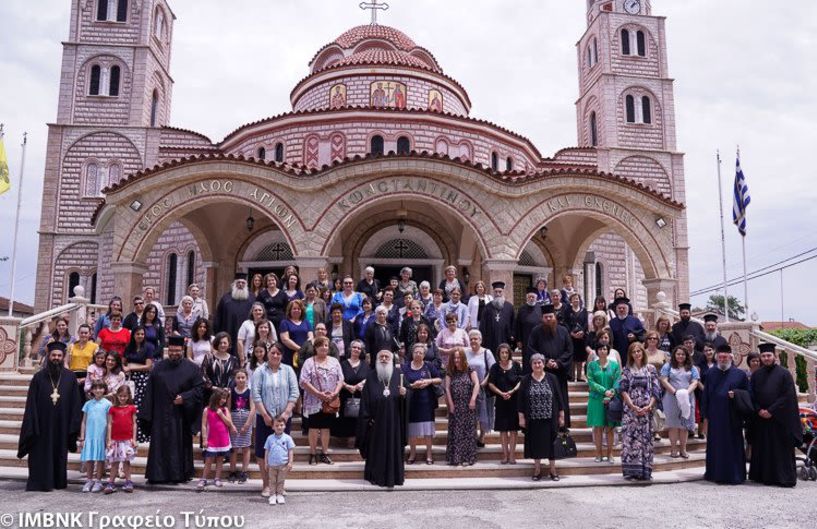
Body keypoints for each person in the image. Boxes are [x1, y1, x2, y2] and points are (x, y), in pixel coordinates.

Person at [139, 335, 205, 484]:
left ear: (182, 350)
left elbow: (199, 390)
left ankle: (179, 475)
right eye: (172, 350)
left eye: (177, 350)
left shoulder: (192, 368)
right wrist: (147, 415)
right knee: (160, 445)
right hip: (160, 415)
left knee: (179, 445)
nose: (174, 353)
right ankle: (158, 475)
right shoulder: (159, 367)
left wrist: (185, 398)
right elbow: (149, 392)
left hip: (181, 416)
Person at [18, 341, 83, 491]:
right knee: (40, 452)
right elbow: (31, 403)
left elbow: (75, 403)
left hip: (62, 424)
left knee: (59, 453)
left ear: (63, 357)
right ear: (48, 356)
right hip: (42, 425)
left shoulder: (70, 378)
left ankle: (57, 482)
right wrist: (32, 423)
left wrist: (74, 425)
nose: (56, 358)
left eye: (59, 355)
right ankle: (40, 482)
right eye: (53, 355)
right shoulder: (38, 378)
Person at [749, 343, 803, 487]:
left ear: (774, 356)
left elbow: (787, 396)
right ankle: (763, 476)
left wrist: (771, 411)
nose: (766, 358)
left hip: (780, 420)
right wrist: (759, 410)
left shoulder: (784, 374)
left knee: (780, 450)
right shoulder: (756, 375)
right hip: (762, 419)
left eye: (769, 355)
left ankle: (782, 478)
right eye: (764, 356)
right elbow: (752, 396)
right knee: (764, 448)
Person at [251, 342, 299, 498]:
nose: (275, 356)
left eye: (278, 353)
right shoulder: (260, 371)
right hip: (265, 418)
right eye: (273, 353)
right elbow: (256, 395)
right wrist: (265, 415)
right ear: (267, 354)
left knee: (282, 452)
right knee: (263, 451)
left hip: (283, 419)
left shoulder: (288, 370)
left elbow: (294, 392)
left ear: (282, 355)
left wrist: (286, 413)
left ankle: (280, 486)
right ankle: (266, 485)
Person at [356, 349, 408, 487]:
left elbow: (408, 398)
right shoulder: (371, 376)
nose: (384, 359)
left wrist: (405, 394)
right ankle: (376, 476)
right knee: (377, 451)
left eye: (387, 357)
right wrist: (368, 420)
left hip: (394, 423)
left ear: (391, 360)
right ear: (377, 360)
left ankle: (394, 477)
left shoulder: (399, 375)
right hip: (376, 423)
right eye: (381, 357)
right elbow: (365, 401)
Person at [701, 344, 749, 484]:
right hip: (715, 417)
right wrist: (705, 416)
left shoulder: (740, 374)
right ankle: (715, 474)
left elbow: (748, 394)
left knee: (732, 446)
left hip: (732, 417)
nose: (722, 359)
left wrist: (737, 394)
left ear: (730, 357)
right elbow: (706, 396)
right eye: (720, 357)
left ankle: (734, 475)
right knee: (716, 446)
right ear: (717, 358)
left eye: (725, 357)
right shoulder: (710, 373)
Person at [518, 353, 566, 481]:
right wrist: (521, 417)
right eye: (534, 363)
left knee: (552, 445)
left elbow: (559, 398)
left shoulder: (552, 378)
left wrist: (561, 415)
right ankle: (537, 470)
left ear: (543, 364)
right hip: (533, 419)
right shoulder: (525, 380)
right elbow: (521, 400)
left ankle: (552, 470)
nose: (537, 365)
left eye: (539, 362)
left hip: (550, 418)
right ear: (531, 365)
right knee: (535, 444)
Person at [525, 304, 573, 426]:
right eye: (546, 317)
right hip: (542, 373)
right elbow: (531, 349)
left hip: (559, 372)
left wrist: (558, 362)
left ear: (555, 316)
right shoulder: (536, 331)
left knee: (561, 399)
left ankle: (562, 425)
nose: (548, 319)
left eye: (550, 316)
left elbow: (569, 350)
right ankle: (546, 425)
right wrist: (545, 361)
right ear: (542, 318)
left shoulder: (563, 330)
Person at [619, 342, 661, 481]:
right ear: (630, 354)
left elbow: (656, 389)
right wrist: (632, 405)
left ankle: (644, 471)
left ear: (643, 353)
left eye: (639, 351)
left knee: (645, 441)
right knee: (630, 440)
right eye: (634, 352)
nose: (637, 354)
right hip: (630, 412)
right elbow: (623, 389)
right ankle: (631, 472)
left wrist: (649, 406)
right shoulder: (627, 370)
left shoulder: (650, 369)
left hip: (646, 411)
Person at [300, 337, 344, 464]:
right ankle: (313, 454)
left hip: (330, 401)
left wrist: (335, 393)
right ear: (315, 348)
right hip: (313, 401)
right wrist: (318, 394)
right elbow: (304, 381)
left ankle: (324, 453)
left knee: (325, 428)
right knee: (313, 428)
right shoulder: (309, 362)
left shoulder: (334, 361)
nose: (324, 347)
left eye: (326, 345)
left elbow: (340, 379)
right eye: (321, 345)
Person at [403, 343, 442, 464]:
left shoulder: (429, 365)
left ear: (424, 355)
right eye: (416, 352)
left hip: (426, 402)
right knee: (412, 431)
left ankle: (429, 454)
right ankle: (412, 454)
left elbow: (439, 378)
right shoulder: (405, 367)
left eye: (421, 352)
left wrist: (428, 381)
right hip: (411, 402)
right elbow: (401, 383)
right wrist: (412, 386)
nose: (418, 354)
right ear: (412, 353)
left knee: (428, 431)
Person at [660, 345, 700, 459]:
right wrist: (675, 392)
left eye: (683, 354)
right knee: (673, 425)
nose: (680, 356)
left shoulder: (692, 368)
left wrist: (686, 393)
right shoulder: (668, 366)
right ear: (674, 355)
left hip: (687, 398)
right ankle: (673, 449)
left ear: (686, 356)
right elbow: (663, 380)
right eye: (678, 354)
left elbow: (695, 382)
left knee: (684, 426)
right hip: (672, 398)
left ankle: (683, 449)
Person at [487, 343, 522, 464]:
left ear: (509, 353)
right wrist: (501, 393)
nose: (504, 355)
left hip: (514, 401)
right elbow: (491, 383)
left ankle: (512, 455)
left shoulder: (516, 365)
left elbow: (520, 381)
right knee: (503, 430)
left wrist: (512, 391)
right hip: (501, 401)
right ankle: (505, 455)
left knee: (513, 430)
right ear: (499, 354)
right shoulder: (495, 367)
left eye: (506, 352)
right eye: (502, 352)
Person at [445, 348, 480, 466]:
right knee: (456, 432)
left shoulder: (470, 370)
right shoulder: (450, 371)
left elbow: (476, 385)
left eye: (458, 357)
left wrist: (473, 399)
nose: (456, 360)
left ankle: (468, 458)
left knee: (469, 432)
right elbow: (447, 389)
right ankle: (456, 458)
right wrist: (450, 404)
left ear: (463, 358)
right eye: (454, 357)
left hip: (469, 405)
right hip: (456, 406)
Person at [198, 388, 237, 491]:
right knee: (209, 460)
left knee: (220, 460)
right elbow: (203, 425)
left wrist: (221, 415)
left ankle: (217, 478)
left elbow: (229, 423)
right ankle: (204, 478)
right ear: (216, 398)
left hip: (223, 439)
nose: (223, 400)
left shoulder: (225, 410)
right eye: (222, 398)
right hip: (211, 439)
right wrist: (204, 439)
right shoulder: (207, 410)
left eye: (225, 398)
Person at [586, 343, 620, 463]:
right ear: (597, 351)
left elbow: (618, 380)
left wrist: (611, 392)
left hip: (611, 398)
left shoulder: (615, 365)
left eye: (604, 349)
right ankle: (598, 453)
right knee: (598, 428)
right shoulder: (591, 365)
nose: (602, 351)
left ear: (608, 351)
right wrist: (604, 391)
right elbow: (590, 381)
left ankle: (610, 453)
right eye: (600, 349)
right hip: (596, 399)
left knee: (610, 427)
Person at [332, 340, 371, 446]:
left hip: (360, 396)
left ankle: (356, 441)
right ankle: (344, 441)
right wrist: (347, 386)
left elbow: (369, 378)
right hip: (345, 395)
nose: (356, 350)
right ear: (350, 348)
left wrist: (360, 385)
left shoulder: (365, 365)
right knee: (346, 420)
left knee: (358, 420)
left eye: (359, 348)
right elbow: (337, 378)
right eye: (354, 347)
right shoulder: (342, 364)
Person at [79, 380, 112, 493]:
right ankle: (89, 480)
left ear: (104, 389)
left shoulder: (108, 404)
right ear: (92, 390)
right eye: (95, 388)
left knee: (100, 459)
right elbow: (83, 421)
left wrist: (108, 438)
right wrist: (82, 437)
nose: (98, 390)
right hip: (90, 436)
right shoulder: (88, 404)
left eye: (100, 388)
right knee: (89, 459)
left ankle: (98, 481)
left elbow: (109, 423)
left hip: (101, 436)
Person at [122, 326, 153, 443]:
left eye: (142, 334)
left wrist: (133, 366)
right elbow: (123, 362)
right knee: (128, 405)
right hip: (130, 380)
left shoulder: (148, 347)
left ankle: (140, 435)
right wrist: (125, 367)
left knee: (139, 408)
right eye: (138, 334)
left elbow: (148, 366)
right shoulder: (128, 347)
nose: (140, 336)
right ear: (133, 335)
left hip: (142, 381)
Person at [105, 385, 138, 493]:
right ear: (117, 396)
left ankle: (128, 482)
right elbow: (109, 424)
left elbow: (134, 424)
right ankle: (111, 483)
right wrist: (109, 439)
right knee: (114, 462)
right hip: (115, 439)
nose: (122, 398)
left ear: (129, 396)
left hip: (127, 440)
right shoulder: (112, 409)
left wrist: (134, 439)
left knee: (126, 462)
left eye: (125, 396)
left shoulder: (132, 408)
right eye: (120, 396)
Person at [465, 329, 496, 446]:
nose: (473, 341)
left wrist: (485, 381)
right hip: (469, 388)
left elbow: (493, 369)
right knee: (471, 414)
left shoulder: (487, 352)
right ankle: (472, 436)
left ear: (480, 340)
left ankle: (482, 437)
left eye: (475, 339)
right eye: (471, 339)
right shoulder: (466, 352)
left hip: (484, 388)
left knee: (484, 413)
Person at [214, 273, 257, 356]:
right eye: (238, 282)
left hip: (247, 334)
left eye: (243, 283)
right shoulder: (225, 299)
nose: (240, 285)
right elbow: (218, 317)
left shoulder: (252, 298)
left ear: (246, 284)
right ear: (234, 284)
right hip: (229, 331)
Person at [227, 369, 255, 484]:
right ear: (235, 379)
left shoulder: (250, 391)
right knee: (234, 448)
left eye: (243, 377)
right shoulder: (231, 392)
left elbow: (253, 408)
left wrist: (247, 424)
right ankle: (232, 471)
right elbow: (228, 409)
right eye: (238, 377)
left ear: (247, 378)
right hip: (234, 422)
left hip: (246, 422)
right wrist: (231, 424)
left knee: (246, 447)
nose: (240, 380)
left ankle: (244, 471)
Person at [264, 417, 296, 505]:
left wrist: (290, 462)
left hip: (283, 465)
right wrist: (266, 463)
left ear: (285, 426)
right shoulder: (270, 438)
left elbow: (290, 450)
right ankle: (272, 495)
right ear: (273, 427)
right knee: (272, 480)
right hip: (272, 465)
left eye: (281, 425)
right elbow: (267, 451)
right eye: (276, 425)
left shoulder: (288, 438)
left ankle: (280, 495)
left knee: (281, 480)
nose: (279, 427)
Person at [479, 281, 514, 356]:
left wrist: (512, 336)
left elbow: (513, 323)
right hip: (490, 340)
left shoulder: (509, 307)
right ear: (493, 292)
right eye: (496, 292)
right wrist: (482, 340)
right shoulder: (487, 307)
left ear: (503, 292)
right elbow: (483, 325)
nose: (498, 294)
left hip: (505, 339)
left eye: (500, 292)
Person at [279, 300, 313, 367]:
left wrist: (304, 350)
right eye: (294, 308)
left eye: (298, 309)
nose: (296, 310)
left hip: (305, 356)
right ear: (290, 310)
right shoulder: (285, 322)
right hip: (289, 356)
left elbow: (311, 337)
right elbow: (285, 339)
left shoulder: (306, 322)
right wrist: (300, 349)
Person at [565, 292, 588, 382]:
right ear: (571, 300)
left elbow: (586, 323)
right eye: (574, 298)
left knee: (580, 358)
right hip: (571, 337)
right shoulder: (568, 310)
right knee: (572, 357)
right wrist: (571, 333)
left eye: (577, 298)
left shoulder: (584, 310)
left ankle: (579, 377)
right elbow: (565, 322)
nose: (576, 300)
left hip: (581, 338)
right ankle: (572, 376)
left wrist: (582, 331)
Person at [515, 287, 542, 353]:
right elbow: (518, 325)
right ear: (527, 298)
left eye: (533, 297)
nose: (531, 299)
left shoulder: (540, 308)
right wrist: (518, 340)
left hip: (538, 338)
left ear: (536, 298)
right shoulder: (521, 309)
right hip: (525, 338)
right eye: (529, 297)